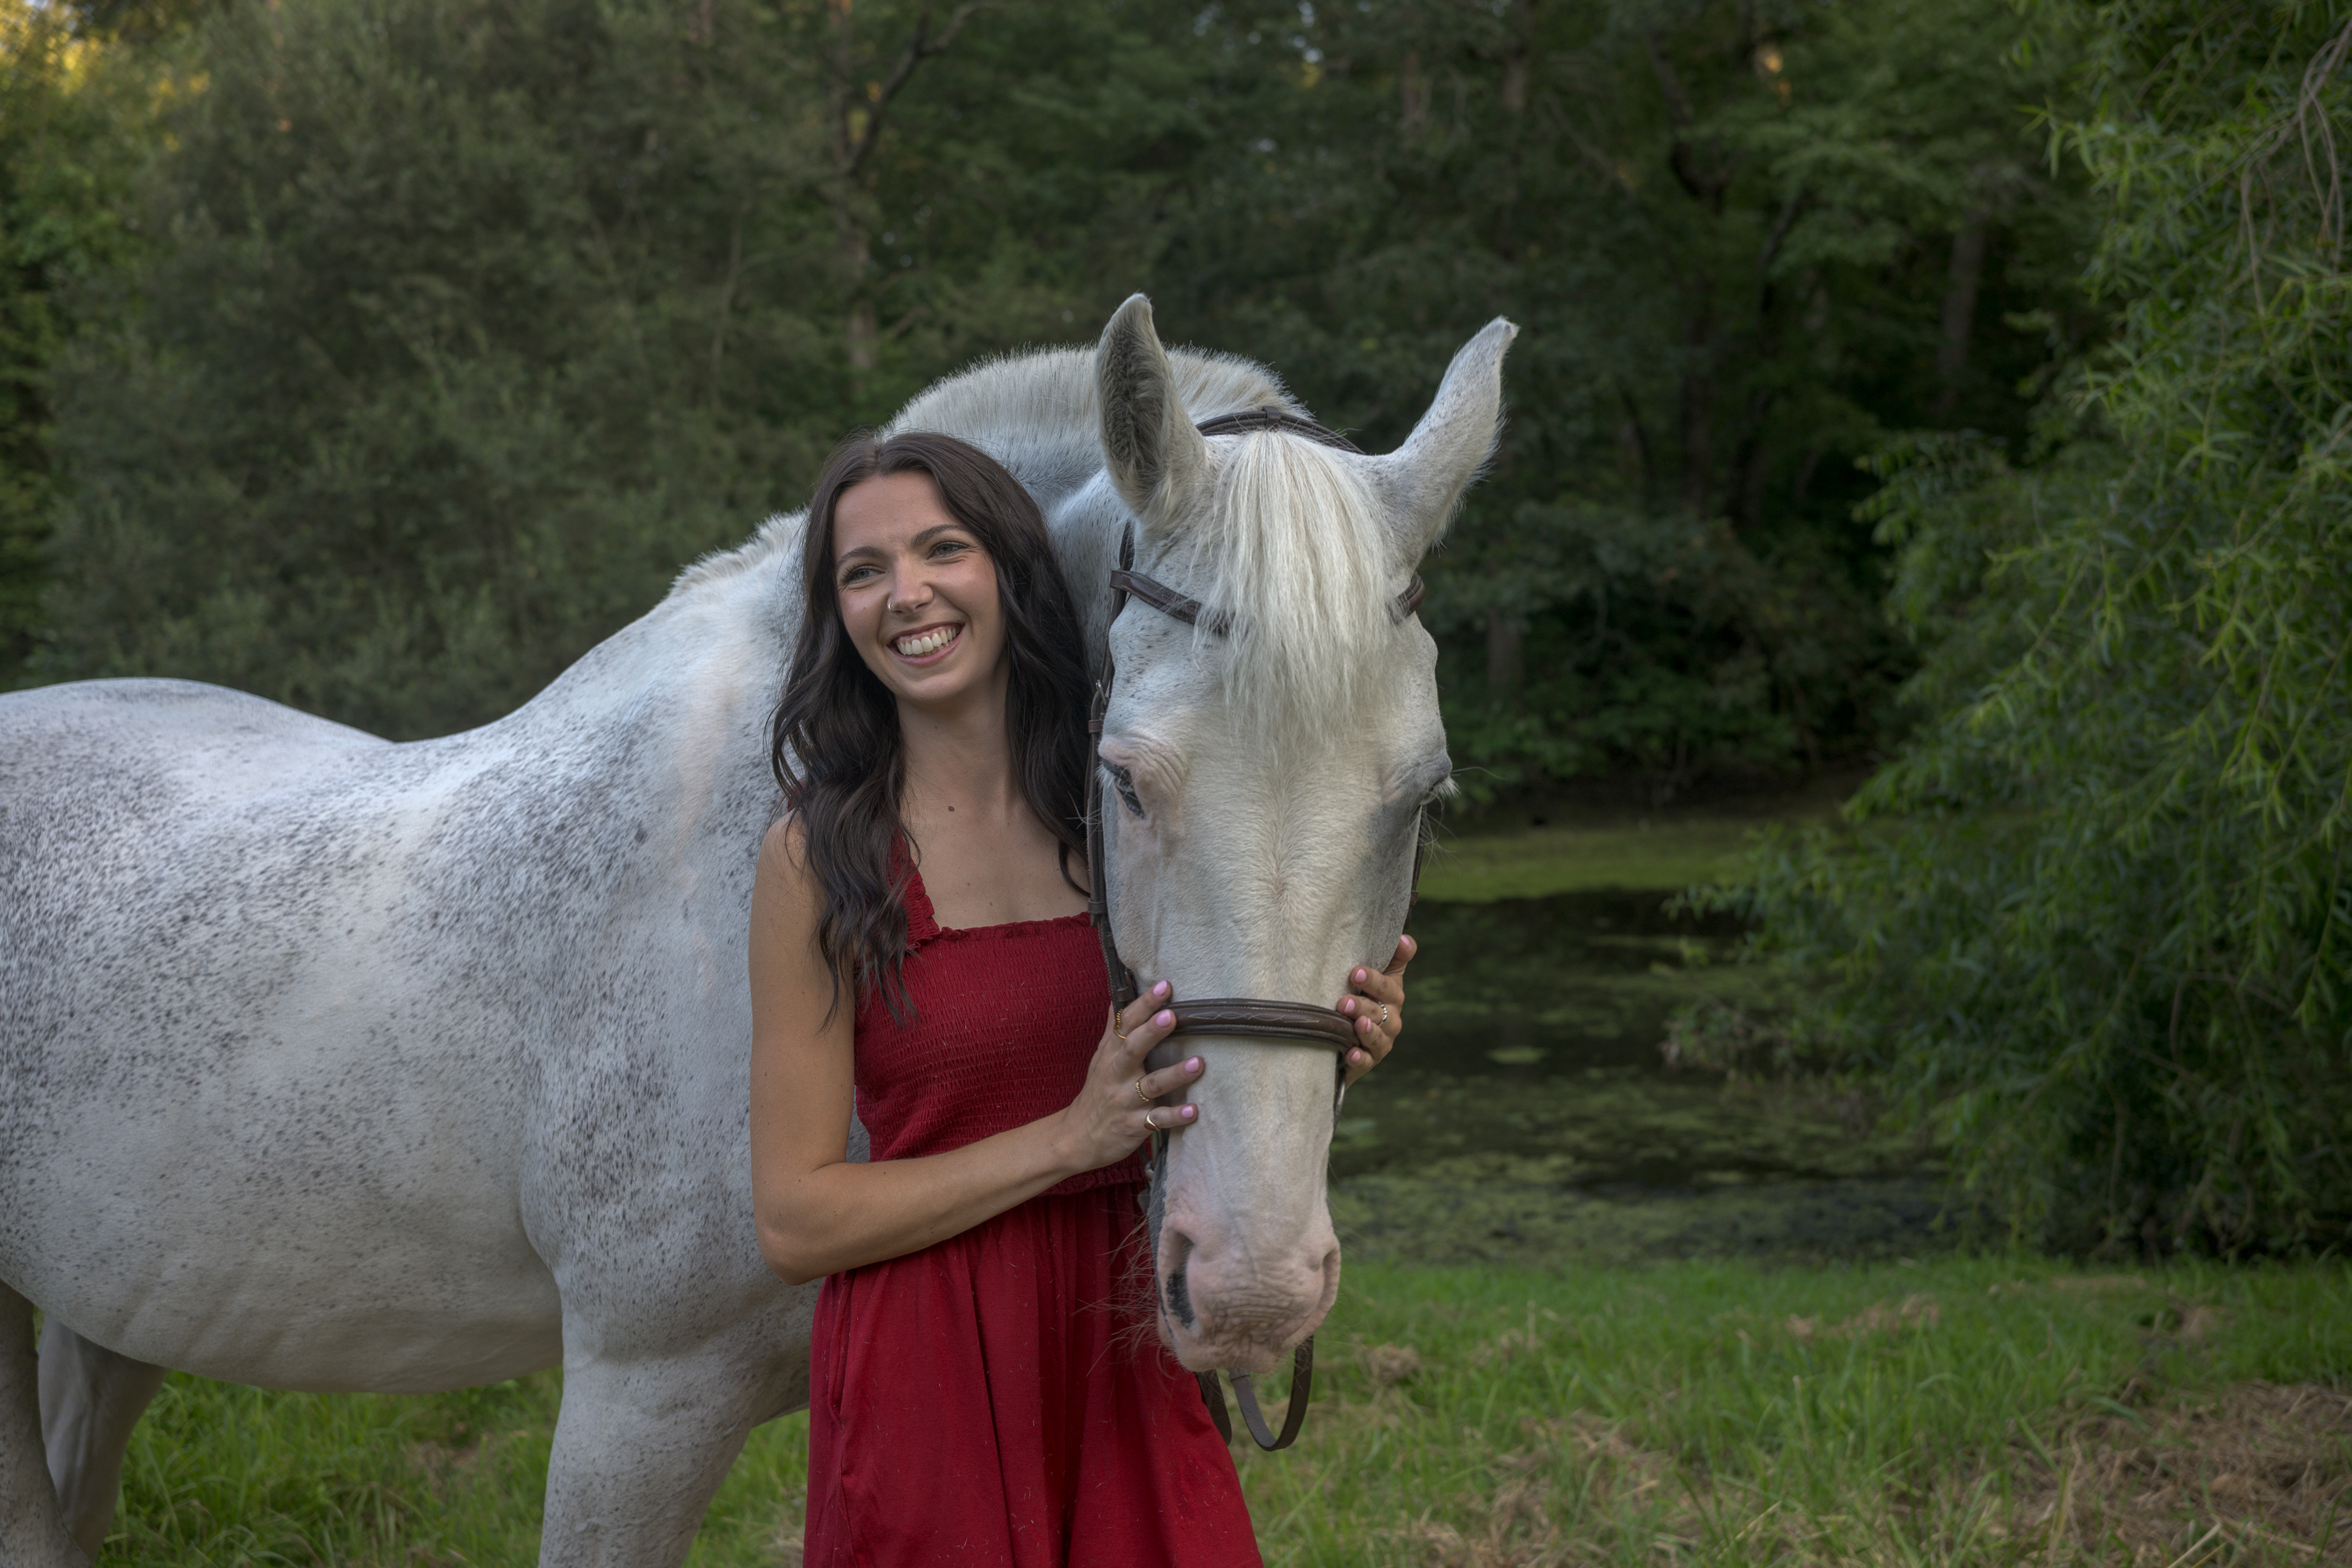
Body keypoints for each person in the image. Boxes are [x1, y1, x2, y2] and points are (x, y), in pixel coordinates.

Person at [747, 430, 1414, 1567]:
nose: (906, 594)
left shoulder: (1127, 818)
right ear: (837, 612)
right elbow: (795, 1221)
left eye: (941, 550)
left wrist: (1326, 1027)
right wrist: (1068, 1139)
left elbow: (1207, 1025)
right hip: (930, 1366)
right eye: (863, 571)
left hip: (1123, 1335)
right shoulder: (818, 861)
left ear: (1010, 570)